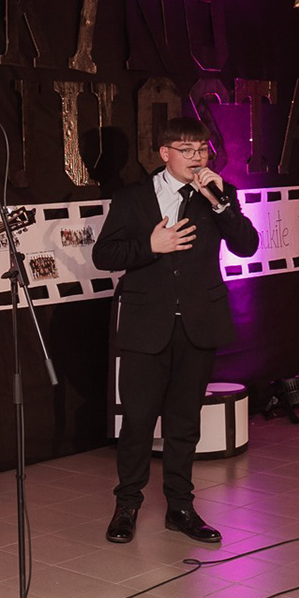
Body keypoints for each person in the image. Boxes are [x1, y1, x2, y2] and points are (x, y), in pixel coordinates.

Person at [93, 117, 259, 545]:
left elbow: (247, 245)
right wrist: (150, 246)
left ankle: (181, 507)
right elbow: (104, 254)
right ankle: (127, 505)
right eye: (187, 150)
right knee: (138, 421)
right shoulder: (133, 197)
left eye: (202, 149)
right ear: (165, 153)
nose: (197, 157)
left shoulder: (219, 194)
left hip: (199, 324)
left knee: (184, 423)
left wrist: (221, 203)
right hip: (145, 325)